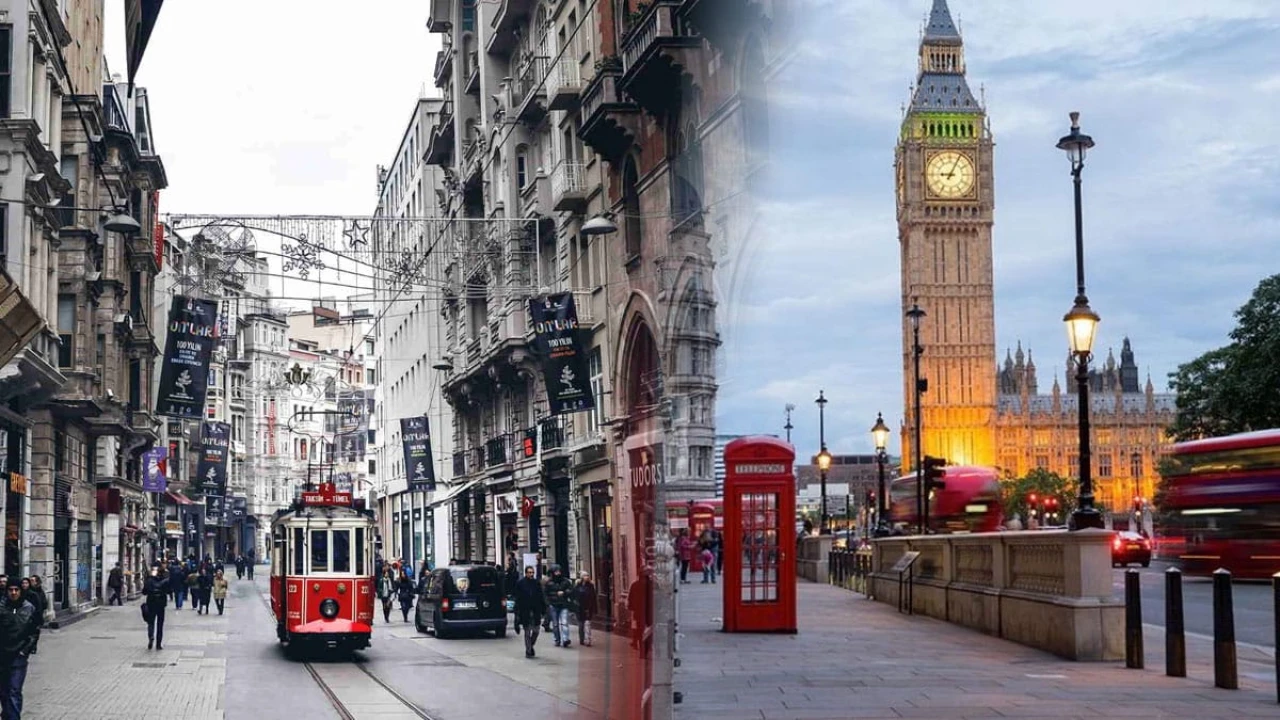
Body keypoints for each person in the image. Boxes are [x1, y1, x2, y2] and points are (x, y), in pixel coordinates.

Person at [0, 578, 35, 719]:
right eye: (10, 590)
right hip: (2, 655)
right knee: (4, 691)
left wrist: (25, 650)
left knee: (14, 691)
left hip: (18, 656)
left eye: (16, 590)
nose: (13, 593)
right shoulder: (1, 607)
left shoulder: (29, 608)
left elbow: (34, 631)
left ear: (21, 591)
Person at [512, 566, 546, 658]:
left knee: (536, 631)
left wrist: (543, 609)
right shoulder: (520, 583)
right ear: (526, 573)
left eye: (532, 572)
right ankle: (528, 650)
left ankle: (530, 645)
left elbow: (541, 596)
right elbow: (517, 598)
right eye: (529, 572)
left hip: (535, 610)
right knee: (527, 632)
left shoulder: (536, 583)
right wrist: (517, 611)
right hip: (525, 611)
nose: (531, 574)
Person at [543, 566, 574, 648]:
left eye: (559, 571)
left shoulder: (566, 581)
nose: (558, 573)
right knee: (555, 624)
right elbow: (545, 594)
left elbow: (571, 590)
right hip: (553, 605)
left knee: (564, 622)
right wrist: (548, 603)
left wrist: (564, 592)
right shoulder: (549, 583)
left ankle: (565, 639)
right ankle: (557, 640)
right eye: (556, 571)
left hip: (563, 605)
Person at [143, 563, 169, 650]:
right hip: (161, 604)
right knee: (160, 624)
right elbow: (169, 591)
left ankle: (151, 636)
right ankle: (158, 644)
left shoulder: (149, 580)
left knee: (151, 622)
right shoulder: (165, 580)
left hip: (151, 603)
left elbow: (144, 592)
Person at [574, 573, 597, 647]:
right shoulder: (577, 585)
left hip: (588, 608)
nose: (586, 577)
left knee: (587, 624)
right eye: (585, 576)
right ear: (581, 577)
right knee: (581, 625)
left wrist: (594, 608)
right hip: (579, 608)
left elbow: (593, 597)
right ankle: (581, 639)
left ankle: (588, 640)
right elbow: (574, 596)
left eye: (587, 575)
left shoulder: (591, 586)